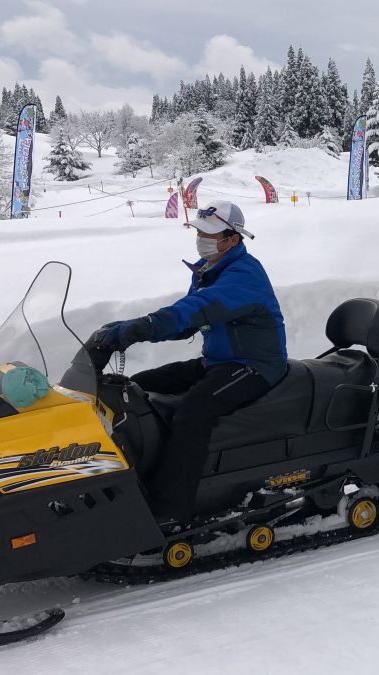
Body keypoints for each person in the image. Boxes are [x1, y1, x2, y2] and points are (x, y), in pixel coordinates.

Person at [89, 200, 287, 526]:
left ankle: (171, 511)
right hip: (218, 362)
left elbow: (195, 310)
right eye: (199, 232)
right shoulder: (209, 269)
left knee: (192, 413)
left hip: (255, 366)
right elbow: (186, 323)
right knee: (137, 386)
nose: (201, 239)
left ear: (232, 239)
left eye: (209, 234)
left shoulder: (243, 276)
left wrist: (138, 329)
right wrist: (124, 328)